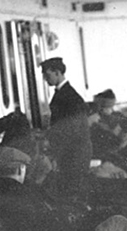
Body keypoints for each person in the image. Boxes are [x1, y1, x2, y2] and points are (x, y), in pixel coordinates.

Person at [40, 57, 93, 194]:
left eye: (48, 75)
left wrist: (48, 137)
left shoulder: (70, 96)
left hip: (75, 152)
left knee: (72, 189)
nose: (46, 79)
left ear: (57, 72)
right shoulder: (65, 94)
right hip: (74, 150)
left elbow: (70, 129)